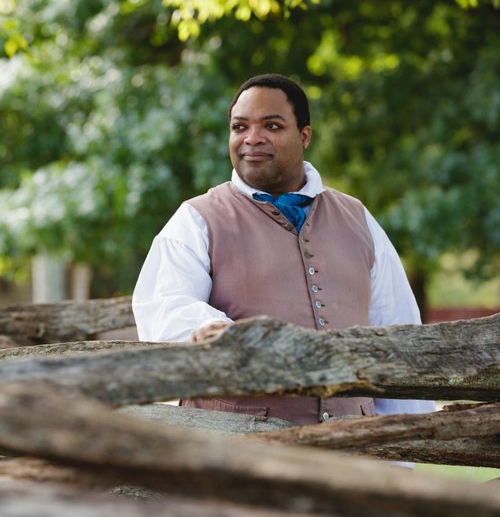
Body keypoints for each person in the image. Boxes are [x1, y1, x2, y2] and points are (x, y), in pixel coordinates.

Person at [132, 73, 434, 426]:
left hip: (353, 454)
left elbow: (399, 335)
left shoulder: (358, 218)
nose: (252, 138)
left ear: (304, 135)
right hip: (239, 456)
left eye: (272, 126)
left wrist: (400, 459)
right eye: (239, 127)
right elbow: (162, 309)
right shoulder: (196, 218)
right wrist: (219, 331)